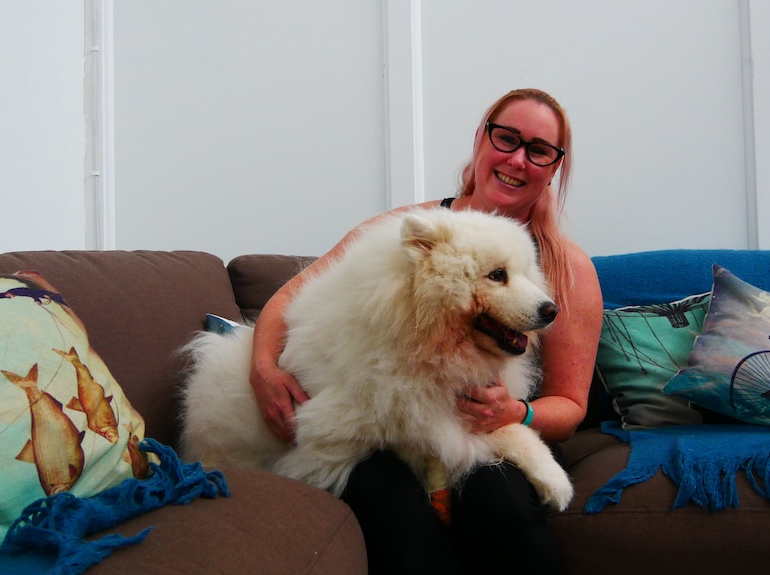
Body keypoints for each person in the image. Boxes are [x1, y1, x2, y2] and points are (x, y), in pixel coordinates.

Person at [248, 88, 603, 574]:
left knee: (496, 505)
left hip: (493, 424)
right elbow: (288, 297)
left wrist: (514, 412)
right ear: (480, 139)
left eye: (538, 149)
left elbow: (570, 406)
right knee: (396, 516)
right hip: (383, 419)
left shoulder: (568, 266)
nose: (518, 159)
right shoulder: (408, 229)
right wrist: (264, 367)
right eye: (507, 139)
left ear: (554, 166)